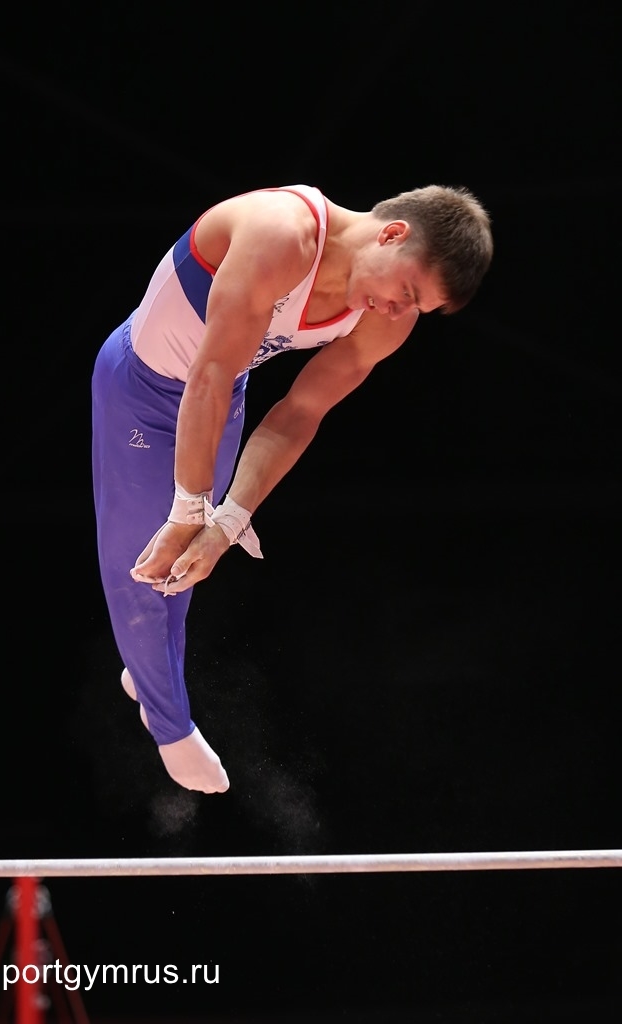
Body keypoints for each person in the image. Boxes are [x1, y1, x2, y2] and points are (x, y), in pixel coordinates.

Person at [91, 183, 493, 795]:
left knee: (188, 561)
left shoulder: (386, 321)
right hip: (140, 387)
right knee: (138, 564)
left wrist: (227, 522)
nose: (398, 312)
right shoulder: (282, 233)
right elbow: (209, 369)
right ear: (393, 234)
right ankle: (168, 720)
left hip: (221, 399)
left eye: (418, 309)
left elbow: (300, 412)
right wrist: (188, 507)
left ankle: (148, 670)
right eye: (407, 292)